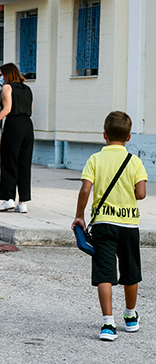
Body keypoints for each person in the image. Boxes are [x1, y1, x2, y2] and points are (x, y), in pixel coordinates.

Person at [72, 111, 147, 341]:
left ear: (104, 135)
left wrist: (79, 216)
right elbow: (141, 194)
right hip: (129, 224)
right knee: (130, 272)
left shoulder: (95, 159)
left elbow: (85, 190)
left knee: (105, 273)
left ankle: (108, 324)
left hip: (103, 224)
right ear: (129, 137)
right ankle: (131, 317)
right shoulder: (135, 161)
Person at [0, 63, 33, 213]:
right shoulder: (27, 89)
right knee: (24, 163)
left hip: (13, 125)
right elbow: (30, 110)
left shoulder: (7, 88)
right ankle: (23, 202)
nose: (0, 77)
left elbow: (7, 109)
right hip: (27, 125)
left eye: (1, 74)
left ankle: (8, 198)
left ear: (7, 74)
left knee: (9, 162)